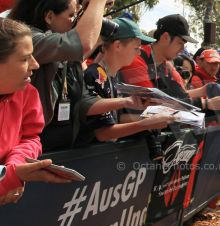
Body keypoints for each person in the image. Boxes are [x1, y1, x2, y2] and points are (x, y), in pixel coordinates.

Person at [10, 0, 148, 151]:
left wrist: (128, 101)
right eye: (71, 15)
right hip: (27, 150)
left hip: (62, 150)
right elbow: (82, 43)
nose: (75, 21)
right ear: (49, 17)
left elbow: (84, 102)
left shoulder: (65, 54)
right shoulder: (26, 40)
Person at [0, 18, 70, 206]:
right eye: (24, 58)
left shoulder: (27, 93)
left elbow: (31, 137)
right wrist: (11, 177)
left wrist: (13, 168)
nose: (35, 65)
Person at [119, 14, 220, 114]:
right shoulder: (137, 59)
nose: (182, 49)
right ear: (165, 37)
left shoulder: (166, 65)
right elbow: (152, 102)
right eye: (180, 43)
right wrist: (205, 103)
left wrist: (206, 91)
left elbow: (181, 96)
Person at [82, 17, 174, 143]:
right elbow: (103, 133)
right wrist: (146, 124)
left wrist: (153, 118)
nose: (139, 54)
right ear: (118, 45)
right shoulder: (96, 75)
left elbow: (117, 118)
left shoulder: (114, 76)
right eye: (136, 48)